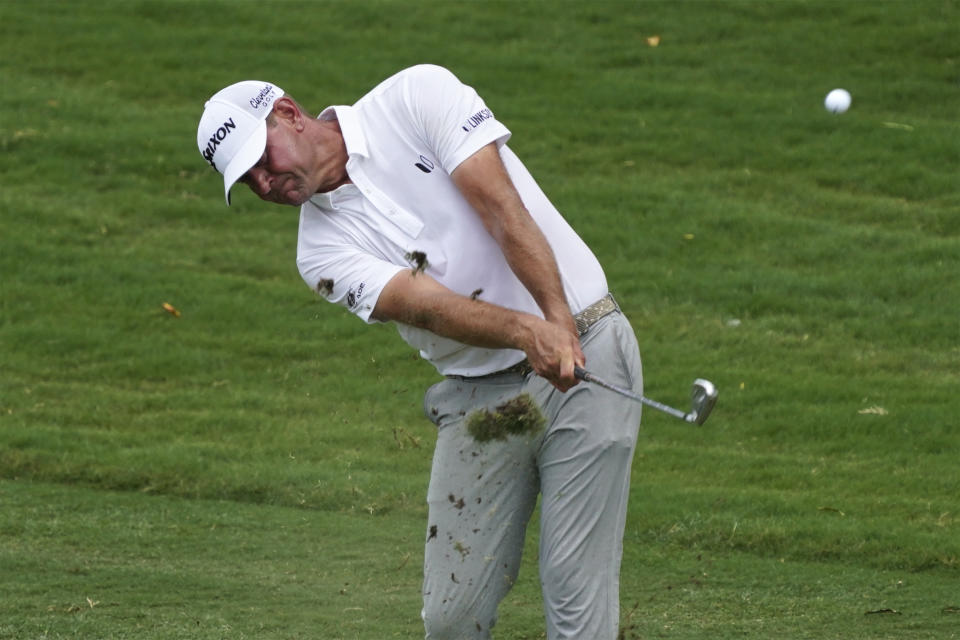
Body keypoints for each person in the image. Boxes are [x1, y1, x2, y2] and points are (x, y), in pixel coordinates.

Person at [196, 64, 644, 640]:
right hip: (478, 400)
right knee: (452, 619)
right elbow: (427, 306)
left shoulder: (415, 96)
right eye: (246, 180)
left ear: (287, 113)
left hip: (588, 348)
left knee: (575, 604)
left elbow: (500, 207)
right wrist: (528, 333)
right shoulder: (318, 254)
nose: (262, 184)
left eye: (261, 160)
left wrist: (557, 323)